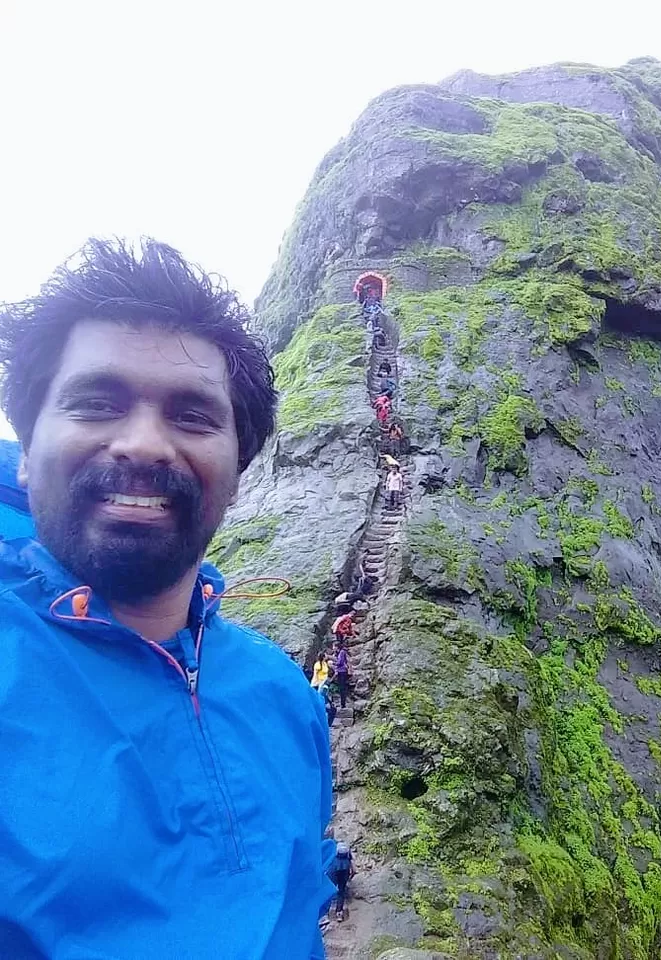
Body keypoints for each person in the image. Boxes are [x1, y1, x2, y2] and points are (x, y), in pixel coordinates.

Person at [0, 238, 336, 958]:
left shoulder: (284, 694)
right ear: (27, 448)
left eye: (192, 416)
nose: (145, 444)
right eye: (97, 402)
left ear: (240, 471)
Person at [329, 842, 355, 922]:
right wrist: (352, 874)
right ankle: (339, 913)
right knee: (341, 891)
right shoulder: (348, 851)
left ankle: (325, 911)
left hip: (334, 869)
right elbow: (352, 864)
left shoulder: (333, 849)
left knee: (330, 889)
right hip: (345, 870)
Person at [333, 642, 351, 709]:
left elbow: (340, 662)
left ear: (337, 647)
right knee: (341, 688)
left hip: (342, 672)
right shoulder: (339, 653)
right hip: (341, 671)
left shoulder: (342, 652)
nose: (333, 648)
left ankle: (343, 704)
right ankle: (342, 703)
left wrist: (333, 663)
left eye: (334, 646)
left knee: (342, 688)